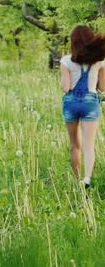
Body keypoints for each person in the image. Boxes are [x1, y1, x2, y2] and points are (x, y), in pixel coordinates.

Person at [60, 25, 105, 188]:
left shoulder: (66, 61)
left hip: (71, 102)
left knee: (74, 144)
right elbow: (103, 87)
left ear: (73, 41)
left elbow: (65, 87)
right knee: (88, 144)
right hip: (90, 103)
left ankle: (76, 177)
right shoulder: (99, 61)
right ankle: (86, 179)